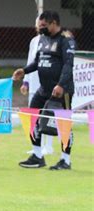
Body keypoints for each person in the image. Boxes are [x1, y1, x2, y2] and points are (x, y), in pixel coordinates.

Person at [13, 10, 76, 170]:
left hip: (63, 90)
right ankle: (37, 156)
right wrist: (25, 71)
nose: (40, 28)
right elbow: (38, 61)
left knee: (64, 123)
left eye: (44, 25)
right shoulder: (42, 39)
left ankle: (65, 160)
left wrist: (61, 85)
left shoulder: (66, 39)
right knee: (30, 116)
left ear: (54, 23)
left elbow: (69, 65)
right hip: (44, 89)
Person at [21, 17, 54, 156]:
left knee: (48, 115)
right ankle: (37, 147)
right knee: (33, 116)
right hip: (34, 84)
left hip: (47, 85)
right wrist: (25, 81)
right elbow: (30, 62)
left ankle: (49, 146)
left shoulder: (54, 41)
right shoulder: (34, 41)